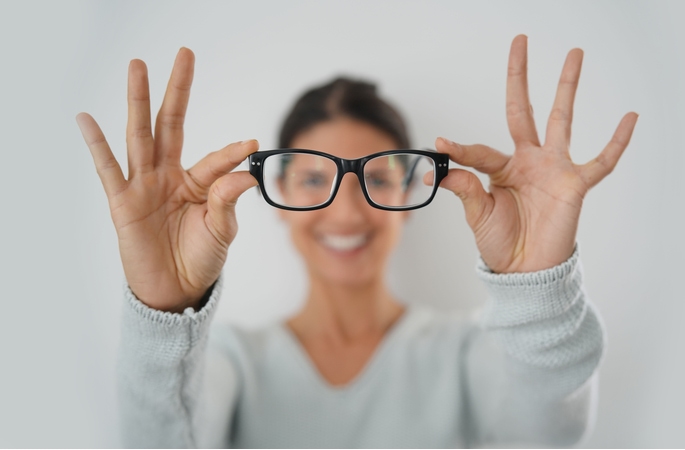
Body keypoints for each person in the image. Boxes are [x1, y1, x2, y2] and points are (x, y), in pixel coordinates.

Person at [76, 35, 637, 448]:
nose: (347, 209)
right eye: (314, 179)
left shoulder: (467, 355)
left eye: (377, 178)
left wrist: (538, 289)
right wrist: (162, 312)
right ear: (278, 203)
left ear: (410, 202)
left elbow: (543, 435)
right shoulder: (231, 362)